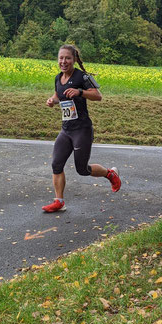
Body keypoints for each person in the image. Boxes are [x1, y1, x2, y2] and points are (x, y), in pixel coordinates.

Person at [42, 44, 121, 213]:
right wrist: (52, 100)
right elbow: (58, 94)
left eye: (67, 58)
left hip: (82, 130)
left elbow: (98, 96)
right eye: (61, 58)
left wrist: (80, 92)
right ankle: (59, 201)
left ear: (74, 59)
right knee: (56, 164)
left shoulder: (82, 77)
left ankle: (110, 174)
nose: (64, 61)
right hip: (66, 129)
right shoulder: (58, 78)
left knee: (82, 170)